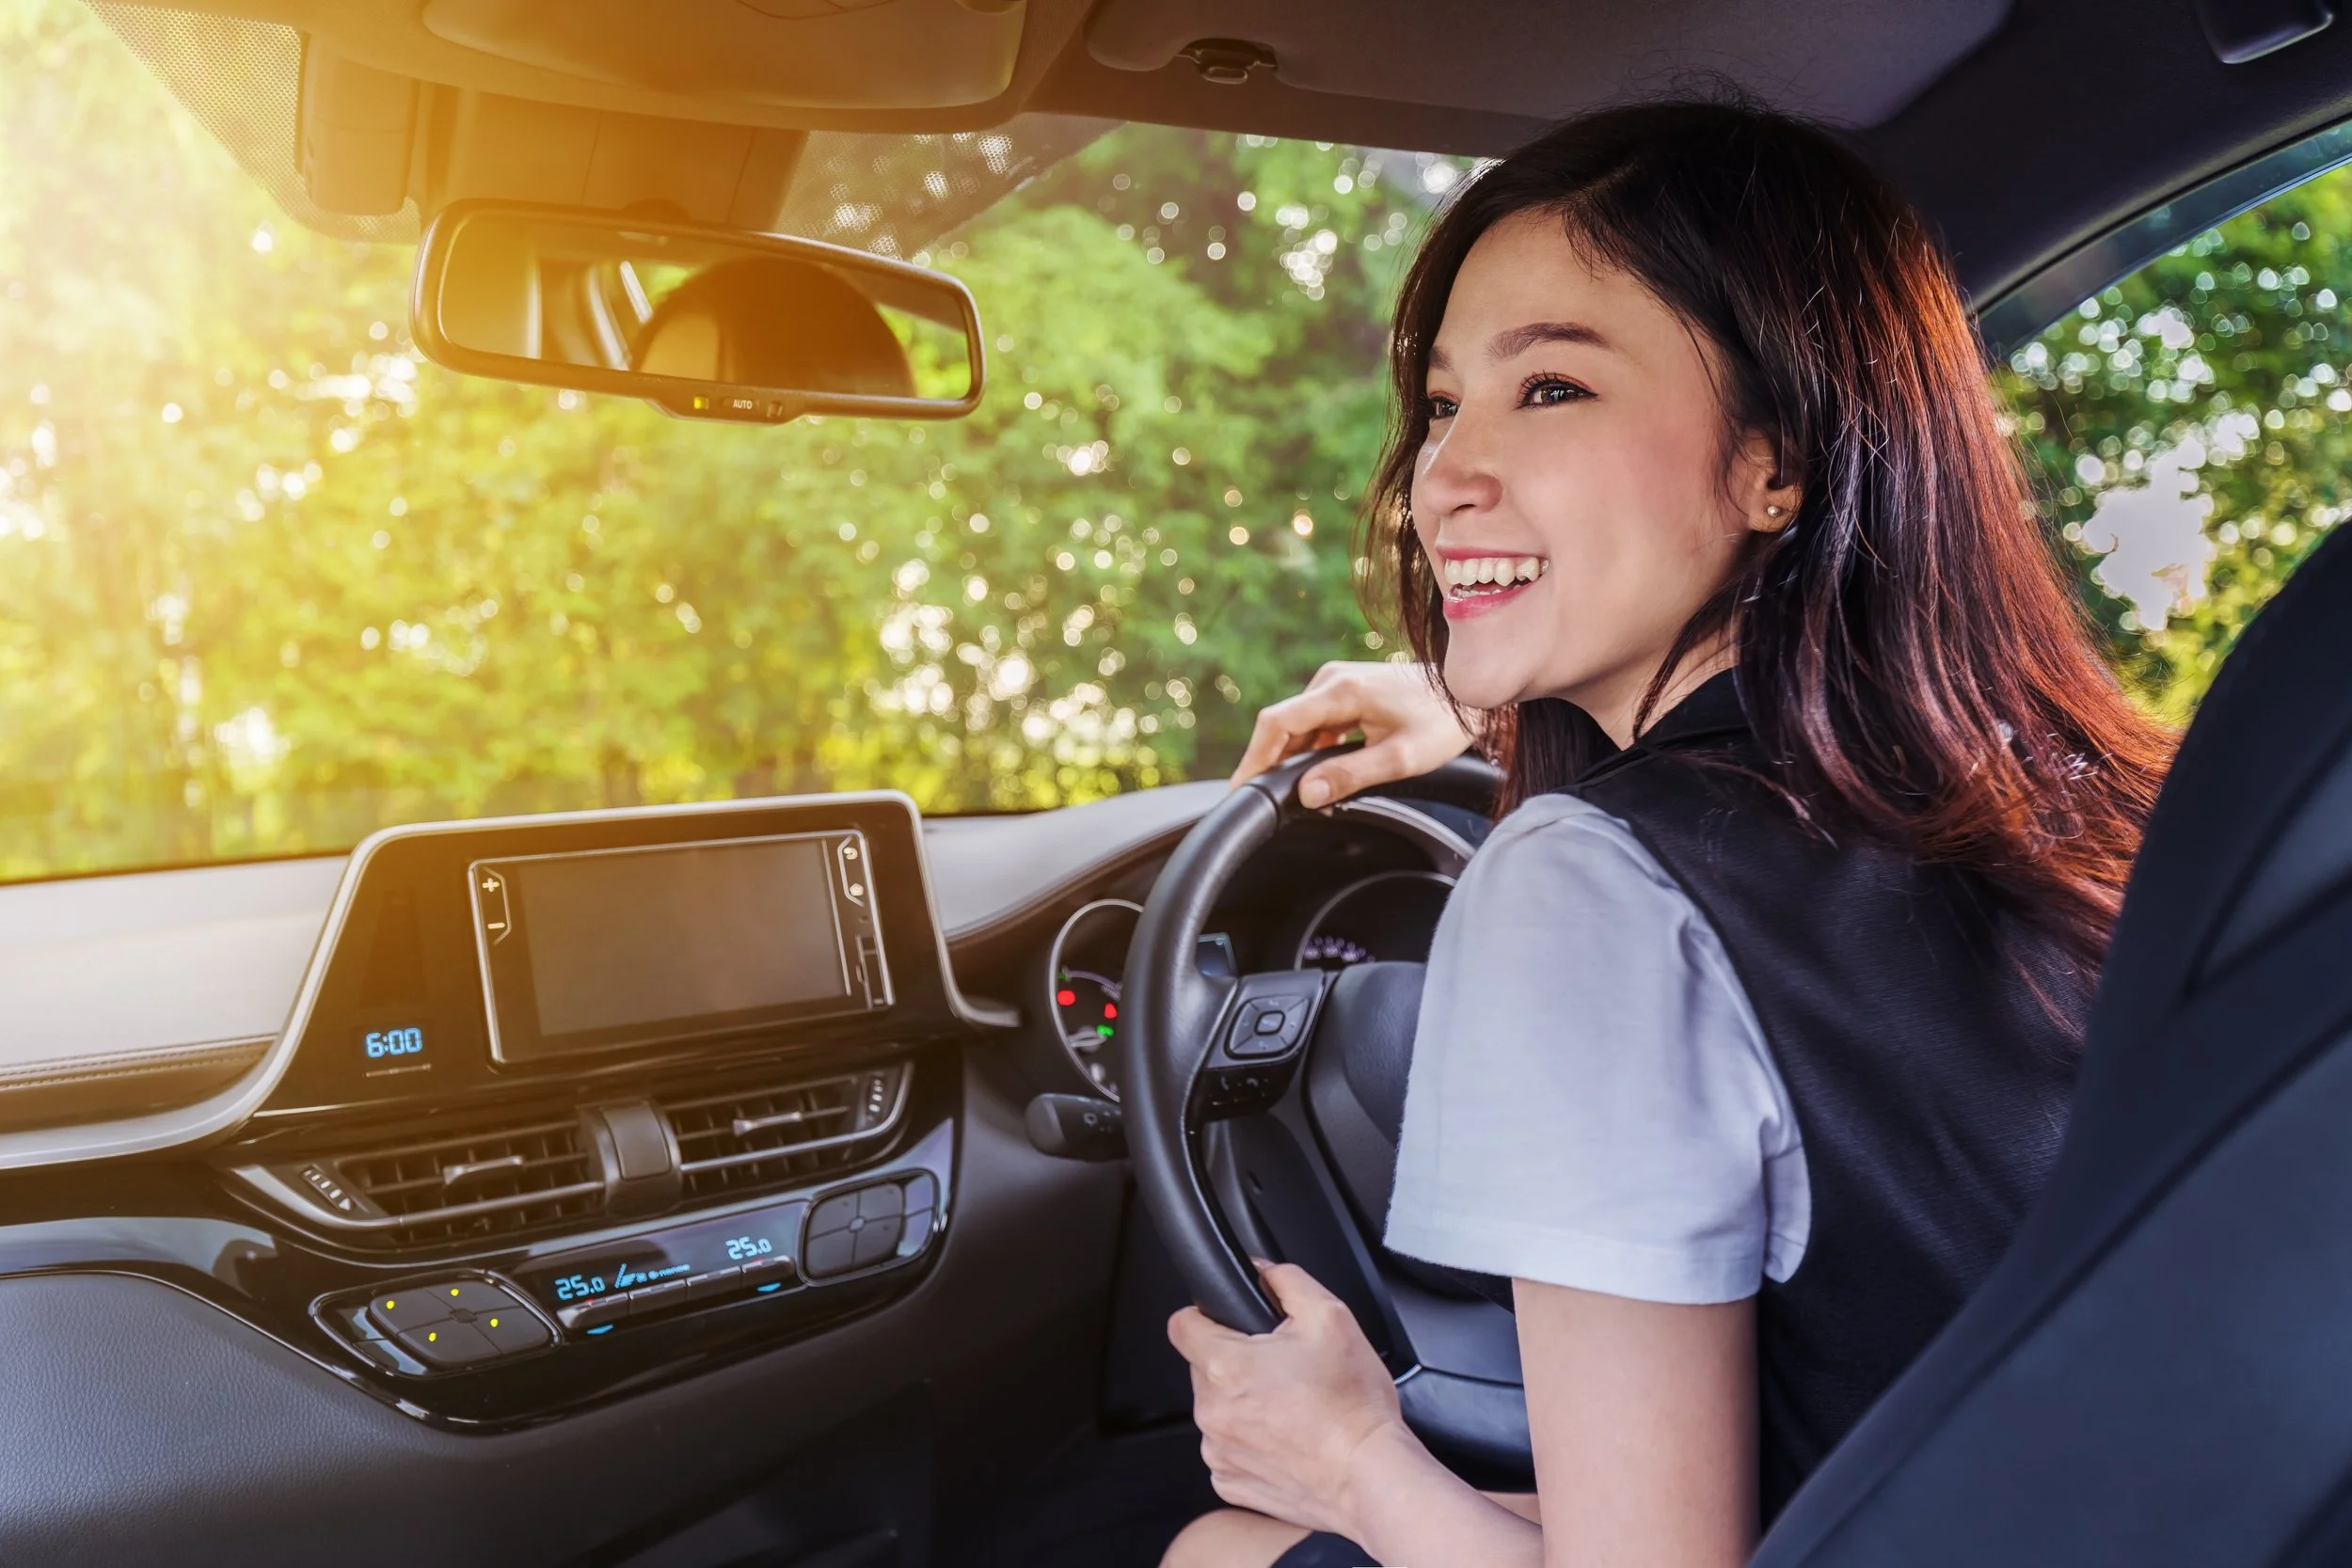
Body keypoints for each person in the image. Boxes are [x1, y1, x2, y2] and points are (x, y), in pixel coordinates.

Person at [1159, 100, 2174, 1568]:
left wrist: (1349, 1454)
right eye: (1444, 404)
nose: (1443, 475)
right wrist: (1488, 716)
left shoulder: (1589, 887)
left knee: (1223, 1546)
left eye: (1552, 389)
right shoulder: (2070, 801)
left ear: (1777, 459)